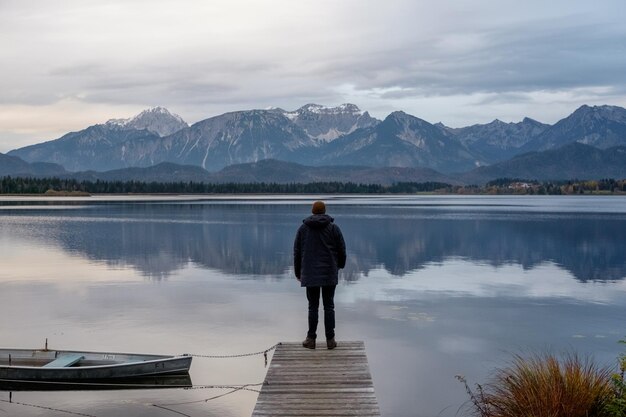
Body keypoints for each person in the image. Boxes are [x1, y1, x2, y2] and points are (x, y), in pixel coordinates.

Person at [293, 200, 346, 350]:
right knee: (329, 306)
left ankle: (311, 339)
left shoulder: (303, 229)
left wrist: (299, 273)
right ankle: (330, 340)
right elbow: (342, 250)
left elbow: (297, 253)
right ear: (324, 212)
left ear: (312, 212)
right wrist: (339, 266)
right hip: (329, 272)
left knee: (313, 307)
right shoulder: (334, 228)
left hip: (310, 274)